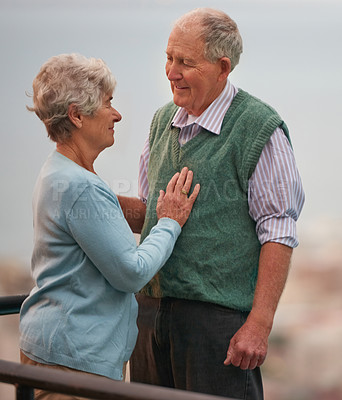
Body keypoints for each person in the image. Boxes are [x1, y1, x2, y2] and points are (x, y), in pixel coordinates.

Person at [118, 7, 305, 400]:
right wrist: (90, 197)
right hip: (150, 319)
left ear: (222, 67)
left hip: (216, 327)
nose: (171, 71)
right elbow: (152, 212)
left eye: (185, 62)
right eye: (169, 57)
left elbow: (279, 231)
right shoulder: (160, 122)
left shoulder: (259, 129)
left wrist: (259, 325)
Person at [19, 53, 200, 400]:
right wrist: (169, 222)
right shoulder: (80, 186)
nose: (116, 114)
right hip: (72, 363)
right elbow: (131, 273)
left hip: (54, 351)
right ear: (76, 115)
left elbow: (94, 222)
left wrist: (143, 212)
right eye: (107, 104)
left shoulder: (58, 170)